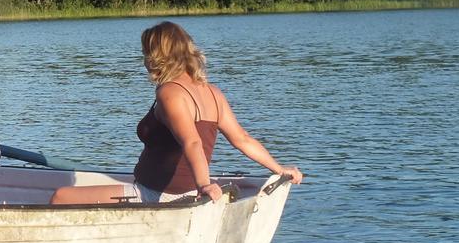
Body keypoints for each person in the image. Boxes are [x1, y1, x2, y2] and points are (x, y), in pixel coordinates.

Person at [50, 21, 303, 204]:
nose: (144, 58)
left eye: (146, 52)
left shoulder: (170, 93)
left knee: (61, 196)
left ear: (158, 56)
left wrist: (204, 185)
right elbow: (243, 140)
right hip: (184, 190)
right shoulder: (213, 93)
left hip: (156, 195)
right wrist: (279, 169)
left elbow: (192, 141)